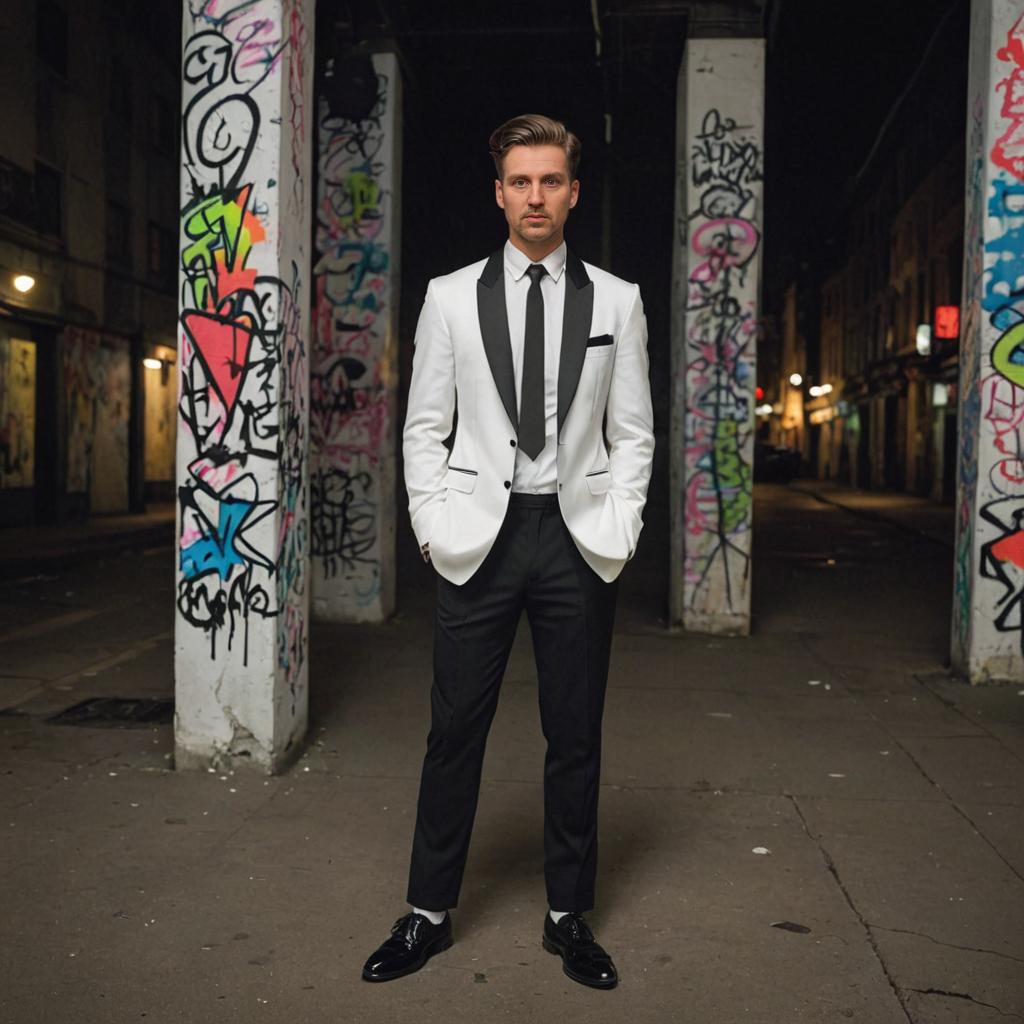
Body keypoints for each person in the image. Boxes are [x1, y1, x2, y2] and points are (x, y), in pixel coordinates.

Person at [362, 113, 654, 990]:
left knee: (574, 736)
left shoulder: (617, 299)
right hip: (480, 539)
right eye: (520, 181)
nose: (536, 195)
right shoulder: (451, 296)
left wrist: (624, 520)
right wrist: (431, 522)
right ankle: (427, 912)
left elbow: (633, 429)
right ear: (500, 193)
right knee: (454, 731)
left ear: (572, 190)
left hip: (575, 538)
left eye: (551, 180)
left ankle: (569, 917)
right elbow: (423, 426)